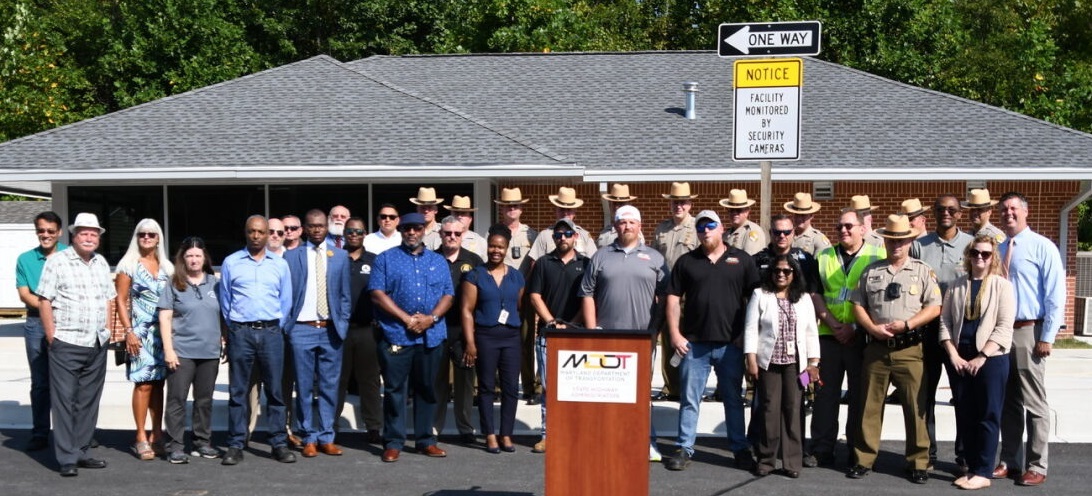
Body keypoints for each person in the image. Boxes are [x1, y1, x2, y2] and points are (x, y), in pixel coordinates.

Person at [847, 214, 941, 484]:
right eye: (891, 240)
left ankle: (918, 462)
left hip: (910, 349)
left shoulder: (922, 271)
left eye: (901, 240)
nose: (896, 245)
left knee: (915, 408)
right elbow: (858, 305)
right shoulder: (871, 271)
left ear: (910, 241)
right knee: (869, 407)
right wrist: (871, 328)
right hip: (876, 348)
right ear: (885, 241)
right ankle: (864, 459)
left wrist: (909, 324)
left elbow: (934, 306)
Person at [664, 210, 759, 472]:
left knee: (733, 399)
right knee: (690, 399)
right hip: (694, 345)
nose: (706, 230)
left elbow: (755, 300)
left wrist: (745, 335)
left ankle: (739, 448)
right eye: (701, 226)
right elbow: (672, 299)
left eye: (711, 225)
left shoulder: (742, 260)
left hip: (731, 344)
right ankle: (684, 447)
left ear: (721, 229)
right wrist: (675, 334)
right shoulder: (687, 262)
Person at [580, 205, 667, 462]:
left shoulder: (655, 258)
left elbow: (665, 297)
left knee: (641, 393)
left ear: (640, 226)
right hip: (606, 337)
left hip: (641, 338)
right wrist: (591, 330)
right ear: (615, 226)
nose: (626, 226)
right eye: (622, 222)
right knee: (606, 394)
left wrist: (655, 330)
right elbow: (586, 293)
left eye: (631, 222)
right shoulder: (601, 256)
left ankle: (645, 441)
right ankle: (606, 440)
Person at [368, 212, 454, 463]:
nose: (412, 233)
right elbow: (377, 293)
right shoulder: (386, 259)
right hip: (397, 334)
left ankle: (425, 440)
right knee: (395, 390)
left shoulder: (438, 261)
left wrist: (431, 319)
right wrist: (406, 319)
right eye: (407, 229)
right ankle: (393, 442)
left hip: (431, 336)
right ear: (401, 230)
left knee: (427, 390)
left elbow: (448, 294)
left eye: (416, 228)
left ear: (424, 230)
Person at [994, 191, 1065, 486]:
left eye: (1013, 208)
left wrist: (1047, 335)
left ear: (1026, 212)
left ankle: (1037, 465)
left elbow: (1055, 296)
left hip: (1028, 330)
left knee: (1034, 403)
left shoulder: (1042, 247)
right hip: (1000, 331)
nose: (1008, 213)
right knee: (1008, 401)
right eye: (1004, 209)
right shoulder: (996, 249)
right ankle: (1011, 460)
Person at [37, 212, 115, 476]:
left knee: (88, 402)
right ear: (73, 235)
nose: (89, 237)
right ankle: (67, 457)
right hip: (66, 341)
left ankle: (81, 451)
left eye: (94, 233)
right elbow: (44, 300)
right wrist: (52, 336)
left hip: (96, 342)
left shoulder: (101, 263)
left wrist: (106, 331)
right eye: (84, 232)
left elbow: (108, 298)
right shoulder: (57, 262)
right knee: (64, 401)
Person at [807, 209, 885, 468]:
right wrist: (833, 323)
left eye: (849, 226)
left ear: (863, 229)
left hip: (861, 338)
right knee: (824, 394)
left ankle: (856, 449)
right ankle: (821, 448)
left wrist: (854, 326)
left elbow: (878, 300)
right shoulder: (824, 256)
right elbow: (815, 293)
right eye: (839, 226)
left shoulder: (877, 255)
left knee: (860, 396)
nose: (843, 230)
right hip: (829, 336)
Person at [218, 215, 296, 465]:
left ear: (267, 235)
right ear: (245, 232)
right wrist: (236, 329)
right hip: (241, 333)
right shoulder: (231, 262)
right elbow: (226, 300)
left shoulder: (279, 264)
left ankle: (278, 443)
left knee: (275, 391)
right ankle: (236, 443)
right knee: (238, 391)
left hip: (272, 333)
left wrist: (276, 327)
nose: (256, 236)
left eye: (261, 232)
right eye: (251, 231)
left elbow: (286, 301)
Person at [939, 235, 1015, 490]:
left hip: (991, 359)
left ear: (993, 258)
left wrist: (982, 357)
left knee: (988, 413)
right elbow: (945, 322)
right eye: (975, 253)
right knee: (966, 413)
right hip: (960, 357)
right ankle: (971, 467)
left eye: (986, 254)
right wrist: (953, 354)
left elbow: (1005, 327)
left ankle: (983, 471)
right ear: (968, 255)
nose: (980, 258)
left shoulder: (1002, 286)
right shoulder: (956, 285)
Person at [911, 194, 974, 469]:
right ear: (932, 213)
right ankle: (928, 453)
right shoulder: (918, 246)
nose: (946, 213)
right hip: (927, 329)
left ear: (960, 214)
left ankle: (963, 454)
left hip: (959, 330)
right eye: (940, 209)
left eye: (952, 209)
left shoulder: (971, 245)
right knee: (924, 395)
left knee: (962, 395)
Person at [744, 254, 820, 478]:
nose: (781, 274)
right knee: (769, 410)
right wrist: (751, 359)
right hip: (768, 362)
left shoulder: (804, 298)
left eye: (786, 271)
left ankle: (791, 463)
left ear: (794, 274)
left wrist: (813, 363)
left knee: (793, 410)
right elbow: (750, 329)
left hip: (796, 365)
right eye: (777, 270)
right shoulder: (760, 295)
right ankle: (766, 460)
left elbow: (811, 332)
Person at [285, 209, 352, 458]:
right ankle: (308, 437)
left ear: (327, 228)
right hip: (301, 328)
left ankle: (326, 436)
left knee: (329, 386)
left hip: (330, 329)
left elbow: (345, 295)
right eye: (311, 226)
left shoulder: (340, 256)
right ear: (305, 228)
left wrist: (342, 322)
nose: (316, 230)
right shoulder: (292, 257)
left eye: (321, 226)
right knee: (303, 386)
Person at [158, 237, 223, 464]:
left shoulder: (215, 283)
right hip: (182, 351)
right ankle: (175, 445)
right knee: (177, 399)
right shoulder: (174, 283)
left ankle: (202, 442)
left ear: (204, 258)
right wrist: (169, 350)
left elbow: (223, 314)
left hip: (209, 352)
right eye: (189, 256)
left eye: (197, 255)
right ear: (182, 259)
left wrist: (223, 339)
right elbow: (164, 317)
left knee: (204, 400)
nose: (194, 260)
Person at [527, 218, 590, 454]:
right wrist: (551, 322)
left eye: (566, 234)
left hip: (577, 335)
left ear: (576, 236)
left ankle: (576, 434)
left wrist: (572, 324)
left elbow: (589, 298)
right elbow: (535, 296)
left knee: (578, 389)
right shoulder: (544, 263)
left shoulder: (586, 264)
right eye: (557, 234)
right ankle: (548, 435)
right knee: (549, 388)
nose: (562, 237)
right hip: (548, 335)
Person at [461, 225, 525, 454]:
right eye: (492, 246)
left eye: (500, 246)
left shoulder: (517, 276)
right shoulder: (475, 275)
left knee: (509, 388)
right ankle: (489, 434)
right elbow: (467, 311)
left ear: (506, 248)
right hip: (486, 336)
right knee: (487, 387)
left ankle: (506, 434)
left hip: (510, 337)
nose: (495, 250)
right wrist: (470, 342)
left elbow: (519, 306)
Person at [115, 218, 173, 461]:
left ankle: (157, 434)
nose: (147, 238)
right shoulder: (128, 264)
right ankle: (140, 436)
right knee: (143, 384)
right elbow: (120, 299)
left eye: (151, 234)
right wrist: (129, 331)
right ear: (136, 237)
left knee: (159, 384)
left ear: (159, 237)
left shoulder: (167, 267)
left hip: (163, 334)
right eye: (142, 234)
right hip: (139, 333)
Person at [14, 211, 66, 451]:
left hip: (67, 322)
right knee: (41, 382)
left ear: (59, 232)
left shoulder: (70, 255)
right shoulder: (25, 259)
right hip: (35, 323)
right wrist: (47, 307)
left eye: (50, 231)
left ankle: (75, 434)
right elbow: (24, 293)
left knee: (68, 382)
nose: (45, 235)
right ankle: (40, 433)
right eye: (41, 230)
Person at [432, 216, 483, 444]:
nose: (452, 237)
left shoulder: (474, 261)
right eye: (447, 233)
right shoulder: (428, 258)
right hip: (435, 329)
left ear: (463, 235)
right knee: (436, 382)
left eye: (456, 233)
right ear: (440, 234)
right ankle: (433, 428)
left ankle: (466, 428)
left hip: (463, 332)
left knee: (464, 383)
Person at [337, 216, 384, 444]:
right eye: (350, 231)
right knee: (337, 380)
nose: (354, 235)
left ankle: (373, 426)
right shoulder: (335, 259)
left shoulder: (374, 261)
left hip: (367, 329)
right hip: (340, 330)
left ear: (365, 234)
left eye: (358, 231)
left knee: (370, 381)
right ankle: (330, 426)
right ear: (344, 234)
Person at [651, 182, 699, 402]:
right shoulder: (661, 229)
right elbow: (652, 261)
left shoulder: (698, 228)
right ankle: (670, 387)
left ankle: (687, 386)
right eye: (675, 202)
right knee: (668, 340)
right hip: (664, 292)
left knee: (687, 342)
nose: (678, 206)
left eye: (682, 202)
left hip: (688, 295)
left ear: (689, 204)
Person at [495, 187, 540, 407]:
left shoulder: (532, 234)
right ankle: (498, 386)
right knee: (497, 340)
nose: (512, 209)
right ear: (502, 208)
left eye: (516, 205)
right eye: (508, 205)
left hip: (523, 296)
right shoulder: (492, 232)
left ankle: (529, 387)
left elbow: (534, 265)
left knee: (525, 342)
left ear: (521, 208)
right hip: (498, 296)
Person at [528, 186, 597, 260]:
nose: (565, 213)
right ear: (556, 210)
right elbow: (535, 264)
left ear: (574, 212)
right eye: (562, 209)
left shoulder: (585, 236)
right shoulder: (544, 235)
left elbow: (593, 263)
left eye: (569, 210)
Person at [719, 189, 767, 255]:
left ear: (747, 212)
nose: (734, 213)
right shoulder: (726, 234)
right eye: (731, 210)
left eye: (738, 210)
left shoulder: (752, 231)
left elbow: (750, 260)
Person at [596, 183, 642, 248]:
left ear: (628, 205)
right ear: (610, 205)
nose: (617, 207)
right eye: (614, 204)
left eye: (621, 204)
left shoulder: (633, 232)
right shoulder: (604, 232)